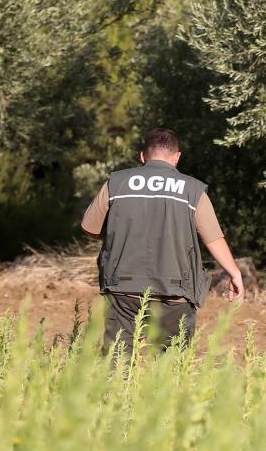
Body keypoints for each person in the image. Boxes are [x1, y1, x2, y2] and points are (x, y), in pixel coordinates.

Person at [81, 128, 244, 350]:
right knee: (170, 368)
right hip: (175, 293)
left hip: (124, 290)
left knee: (117, 365)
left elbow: (90, 227)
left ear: (142, 156)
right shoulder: (193, 190)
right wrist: (234, 273)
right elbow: (213, 238)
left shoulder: (116, 183)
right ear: (177, 157)